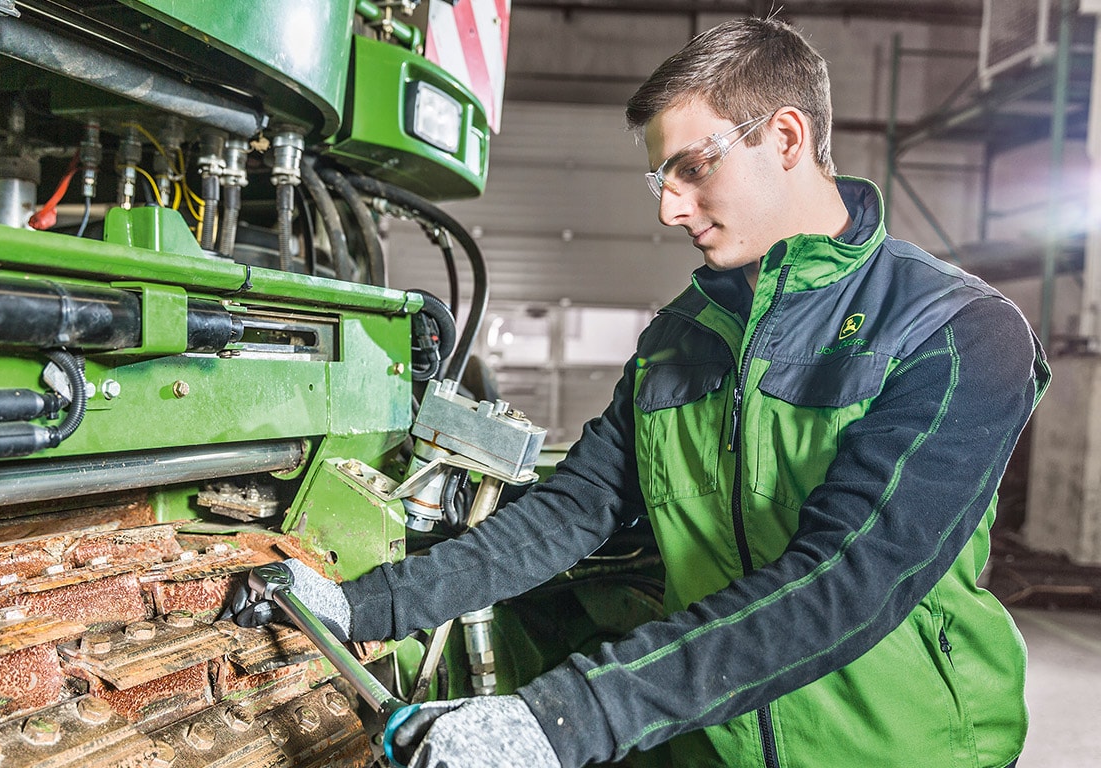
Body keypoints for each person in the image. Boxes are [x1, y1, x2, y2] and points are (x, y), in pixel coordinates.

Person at [226, 16, 1050, 768]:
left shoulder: (955, 330)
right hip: (706, 744)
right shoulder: (680, 337)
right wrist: (359, 607)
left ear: (788, 136)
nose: (669, 207)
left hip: (897, 750)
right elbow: (571, 512)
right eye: (660, 176)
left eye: (693, 169)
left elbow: (847, 579)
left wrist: (560, 720)